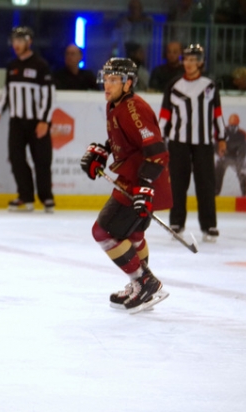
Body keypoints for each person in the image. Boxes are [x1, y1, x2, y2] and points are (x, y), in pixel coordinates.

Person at [79, 57, 171, 313]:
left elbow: (157, 152)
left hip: (141, 182)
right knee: (133, 234)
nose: (107, 85)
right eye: (105, 79)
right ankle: (141, 283)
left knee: (103, 231)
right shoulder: (115, 105)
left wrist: (144, 186)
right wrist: (104, 151)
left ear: (128, 83)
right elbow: (127, 141)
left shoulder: (134, 109)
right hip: (134, 180)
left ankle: (145, 282)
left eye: (113, 80)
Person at [159, 44, 226, 242]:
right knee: (178, 183)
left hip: (204, 142)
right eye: (186, 59)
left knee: (206, 183)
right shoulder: (173, 85)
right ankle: (176, 223)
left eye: (193, 59)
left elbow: (218, 114)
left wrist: (221, 138)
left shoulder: (210, 86)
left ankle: (209, 225)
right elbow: (165, 115)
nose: (189, 63)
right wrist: (159, 139)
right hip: (178, 142)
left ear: (201, 62)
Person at [0, 27, 56, 213]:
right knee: (16, 158)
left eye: (20, 40)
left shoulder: (40, 65)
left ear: (29, 42)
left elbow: (49, 95)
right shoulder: (12, 66)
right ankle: (26, 196)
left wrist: (44, 121)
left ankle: (46, 197)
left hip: (36, 121)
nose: (16, 44)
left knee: (42, 160)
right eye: (14, 41)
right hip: (16, 122)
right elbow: (7, 91)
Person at [215, 113, 246, 196]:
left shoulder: (242, 135)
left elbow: (243, 149)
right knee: (217, 169)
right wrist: (219, 153)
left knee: (243, 171)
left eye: (235, 126)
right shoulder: (222, 132)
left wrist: (241, 161)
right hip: (224, 156)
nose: (233, 128)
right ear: (228, 124)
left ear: (238, 125)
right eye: (231, 126)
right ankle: (215, 192)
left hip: (236, 157)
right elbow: (215, 145)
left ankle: (245, 193)